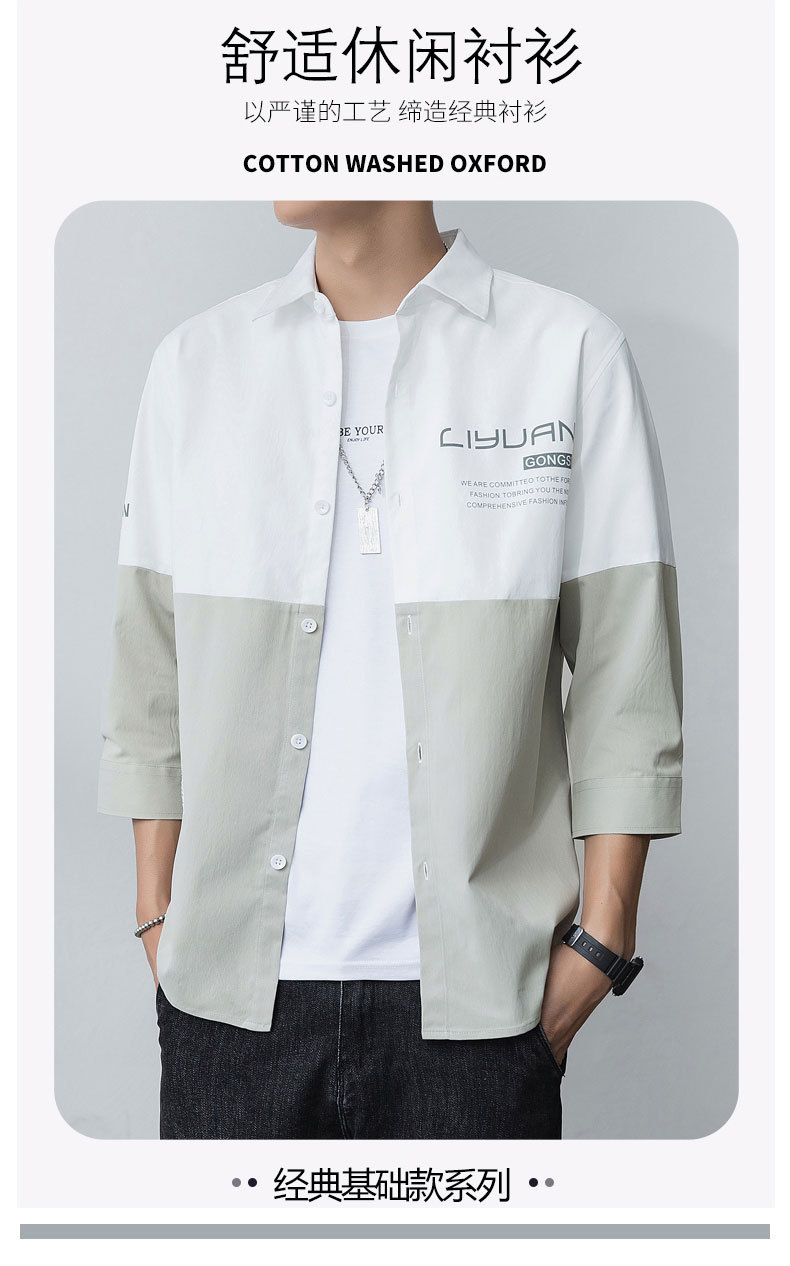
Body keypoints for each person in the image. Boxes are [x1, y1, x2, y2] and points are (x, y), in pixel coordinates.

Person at [97, 201, 683, 1140]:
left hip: (483, 1008)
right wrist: (156, 911)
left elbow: (626, 667)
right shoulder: (198, 364)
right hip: (228, 1006)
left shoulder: (567, 352)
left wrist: (605, 934)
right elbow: (149, 660)